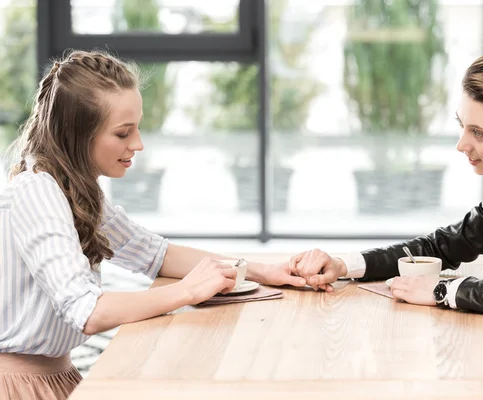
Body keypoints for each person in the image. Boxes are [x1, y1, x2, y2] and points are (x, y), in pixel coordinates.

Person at [289, 49, 483, 399]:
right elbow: (438, 247)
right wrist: (344, 264)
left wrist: (442, 291)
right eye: (462, 126)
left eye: (479, 133)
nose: (461, 144)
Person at [0, 50, 307, 400]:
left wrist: (264, 272)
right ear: (76, 134)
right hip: (17, 387)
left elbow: (155, 254)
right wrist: (187, 291)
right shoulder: (37, 192)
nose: (138, 144)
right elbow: (87, 312)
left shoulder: (76, 191)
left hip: (57, 376)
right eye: (122, 133)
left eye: (137, 128)